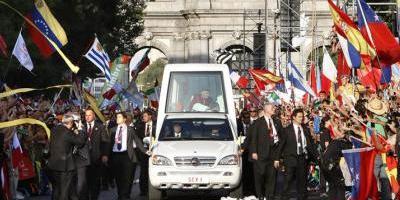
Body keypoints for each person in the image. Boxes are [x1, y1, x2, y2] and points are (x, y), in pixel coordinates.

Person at [107, 111, 148, 200]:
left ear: (124, 119)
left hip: (127, 156)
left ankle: (125, 196)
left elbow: (137, 141)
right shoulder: (112, 130)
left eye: (119, 117)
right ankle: (120, 195)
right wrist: (106, 155)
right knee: (118, 178)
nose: (117, 119)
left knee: (127, 177)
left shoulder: (130, 129)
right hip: (116, 156)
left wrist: (146, 151)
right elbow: (109, 144)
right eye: (117, 117)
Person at [48, 113, 86, 200]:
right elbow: (80, 142)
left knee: (56, 190)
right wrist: (80, 129)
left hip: (53, 165)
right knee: (64, 191)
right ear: (71, 123)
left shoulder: (54, 130)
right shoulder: (67, 132)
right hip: (65, 167)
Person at [249, 102, 283, 200]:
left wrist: (279, 155)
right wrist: (254, 151)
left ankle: (270, 196)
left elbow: (281, 137)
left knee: (272, 176)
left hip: (273, 153)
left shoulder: (277, 121)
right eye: (272, 107)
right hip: (261, 154)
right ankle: (260, 195)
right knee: (260, 176)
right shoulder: (258, 122)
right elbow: (253, 138)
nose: (274, 109)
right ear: (266, 109)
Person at [76, 108, 109, 200]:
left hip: (96, 158)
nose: (87, 117)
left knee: (95, 180)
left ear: (94, 116)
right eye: (86, 115)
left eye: (89, 115)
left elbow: (105, 142)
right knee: (84, 181)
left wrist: (105, 154)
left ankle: (94, 197)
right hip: (83, 159)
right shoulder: (82, 127)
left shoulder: (101, 126)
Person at [280, 108, 314, 200]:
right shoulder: (287, 130)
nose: (301, 119)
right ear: (294, 117)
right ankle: (284, 197)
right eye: (299, 117)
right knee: (288, 181)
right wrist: (277, 158)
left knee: (302, 183)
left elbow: (310, 144)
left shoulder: (305, 129)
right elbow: (281, 145)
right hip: (290, 159)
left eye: (302, 117)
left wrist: (315, 157)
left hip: (302, 159)